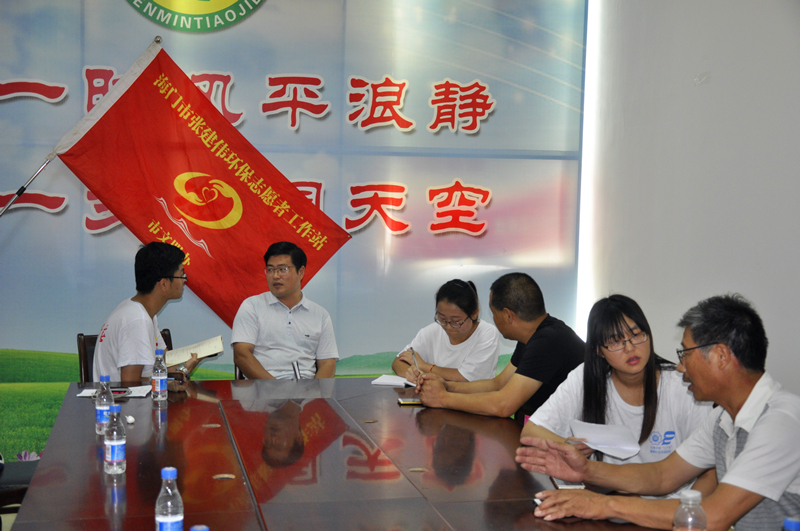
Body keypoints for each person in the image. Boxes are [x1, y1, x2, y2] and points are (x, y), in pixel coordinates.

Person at [516, 294, 800, 531]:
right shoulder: (722, 418)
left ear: (721, 357)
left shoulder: (781, 422)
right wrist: (586, 470)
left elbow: (712, 517)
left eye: (685, 354)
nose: (680, 367)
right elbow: (662, 476)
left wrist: (603, 504)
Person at [522, 294, 713, 468]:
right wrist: (568, 446)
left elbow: (707, 463)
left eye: (636, 335)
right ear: (599, 351)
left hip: (669, 493)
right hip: (606, 489)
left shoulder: (683, 385)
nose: (629, 348)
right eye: (615, 341)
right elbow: (531, 431)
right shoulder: (586, 377)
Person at [417, 272, 584, 425]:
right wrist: (447, 386)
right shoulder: (533, 336)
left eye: (493, 313)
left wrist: (442, 398)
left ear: (508, 315)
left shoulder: (548, 341)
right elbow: (498, 384)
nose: (493, 319)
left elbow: (504, 405)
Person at [93, 242, 198, 387]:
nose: (184, 281)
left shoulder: (144, 312)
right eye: (181, 275)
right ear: (164, 284)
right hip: (119, 400)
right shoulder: (137, 320)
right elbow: (130, 383)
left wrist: (186, 367)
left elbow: (166, 364)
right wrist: (170, 381)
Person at [232, 241, 338, 379]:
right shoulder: (252, 306)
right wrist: (276, 388)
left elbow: (327, 363)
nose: (275, 276)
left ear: (301, 272)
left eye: (283, 269)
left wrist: (315, 391)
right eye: (270, 270)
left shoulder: (320, 315)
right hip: (263, 387)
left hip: (306, 387)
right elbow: (241, 355)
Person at [392, 279, 501, 384]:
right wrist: (412, 373)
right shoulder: (432, 331)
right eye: (442, 319)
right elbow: (398, 362)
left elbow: (464, 378)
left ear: (474, 314)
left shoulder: (487, 333)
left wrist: (424, 366)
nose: (448, 326)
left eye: (456, 321)